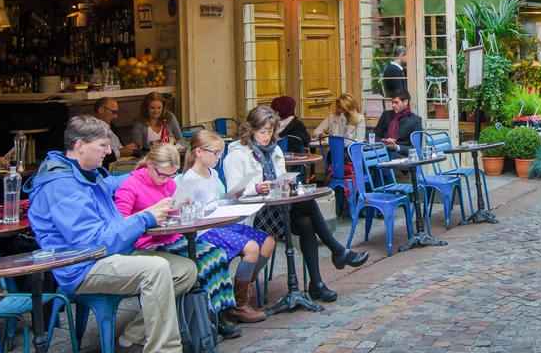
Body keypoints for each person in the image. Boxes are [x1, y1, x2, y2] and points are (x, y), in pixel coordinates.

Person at [28, 116, 201, 353]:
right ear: (80, 145)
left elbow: (115, 183)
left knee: (185, 269)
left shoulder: (82, 173)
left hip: (104, 255)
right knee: (155, 268)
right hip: (80, 266)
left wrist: (147, 172)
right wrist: (146, 217)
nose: (109, 151)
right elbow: (94, 242)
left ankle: (129, 340)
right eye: (103, 145)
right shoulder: (60, 185)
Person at [224, 106, 368, 303]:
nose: (266, 136)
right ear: (251, 130)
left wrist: (286, 184)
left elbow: (280, 179)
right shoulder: (237, 154)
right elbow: (233, 192)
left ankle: (317, 283)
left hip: (276, 208)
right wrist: (257, 188)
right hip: (253, 215)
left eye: (270, 131)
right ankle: (337, 251)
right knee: (307, 204)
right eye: (262, 132)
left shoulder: (274, 150)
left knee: (305, 221)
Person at [113, 144, 243, 338]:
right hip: (148, 243)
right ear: (149, 165)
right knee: (201, 262)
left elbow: (175, 211)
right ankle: (201, 320)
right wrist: (151, 212)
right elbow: (119, 223)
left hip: (171, 236)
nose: (166, 180)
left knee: (217, 254)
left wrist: (182, 207)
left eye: (171, 176)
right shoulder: (130, 186)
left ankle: (217, 314)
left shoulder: (169, 183)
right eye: (163, 175)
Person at [176, 130, 273, 323]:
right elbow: (190, 211)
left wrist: (232, 197)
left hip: (222, 223)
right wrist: (221, 203)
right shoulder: (190, 178)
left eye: (219, 153)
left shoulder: (212, 173)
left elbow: (218, 201)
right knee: (252, 247)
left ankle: (245, 286)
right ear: (198, 152)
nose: (219, 157)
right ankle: (239, 305)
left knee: (268, 241)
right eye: (215, 153)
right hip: (206, 230)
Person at [373, 88, 423, 159]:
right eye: (392, 102)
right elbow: (375, 136)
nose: (393, 105)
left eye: (396, 103)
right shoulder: (386, 115)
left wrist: (396, 147)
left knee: (387, 156)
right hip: (383, 151)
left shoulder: (415, 120)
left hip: (402, 156)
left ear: (405, 102)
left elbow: (415, 148)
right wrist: (385, 141)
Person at [92, 97, 140, 169]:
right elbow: (96, 157)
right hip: (108, 168)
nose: (115, 116)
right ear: (101, 109)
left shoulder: (111, 125)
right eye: (113, 112)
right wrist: (120, 152)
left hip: (122, 162)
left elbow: (120, 147)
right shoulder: (91, 129)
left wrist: (131, 149)